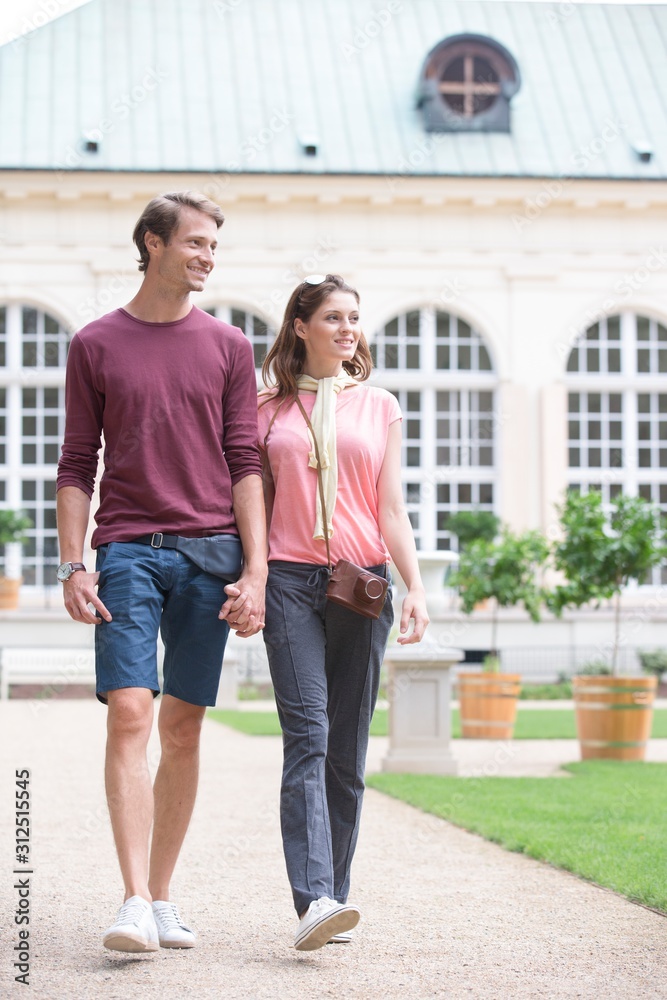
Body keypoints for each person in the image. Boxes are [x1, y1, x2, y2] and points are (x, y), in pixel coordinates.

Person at [56, 191, 267, 954]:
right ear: (153, 243)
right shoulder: (95, 344)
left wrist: (258, 569)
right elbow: (78, 463)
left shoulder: (229, 347)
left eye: (215, 246)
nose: (209, 256)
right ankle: (134, 899)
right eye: (197, 243)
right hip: (127, 550)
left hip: (212, 554)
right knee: (130, 713)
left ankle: (165, 894)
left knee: (181, 727)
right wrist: (73, 561)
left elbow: (245, 461)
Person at [258, 273, 429, 951]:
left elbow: (389, 508)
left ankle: (336, 893)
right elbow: (251, 503)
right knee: (308, 735)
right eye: (332, 317)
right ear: (300, 326)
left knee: (346, 752)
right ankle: (314, 898)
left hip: (362, 584)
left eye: (353, 317)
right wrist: (248, 574)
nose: (346, 328)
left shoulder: (379, 405)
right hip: (289, 582)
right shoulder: (264, 407)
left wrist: (414, 587)